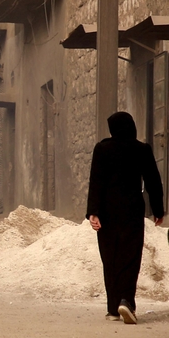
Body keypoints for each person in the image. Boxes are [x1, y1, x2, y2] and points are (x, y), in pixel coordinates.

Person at [87, 112, 165, 324]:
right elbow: (153, 182)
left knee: (110, 258)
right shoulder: (142, 149)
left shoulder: (102, 149)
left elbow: (96, 182)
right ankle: (126, 301)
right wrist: (158, 210)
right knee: (130, 258)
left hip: (106, 213)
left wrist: (93, 212)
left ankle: (113, 309)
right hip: (131, 211)